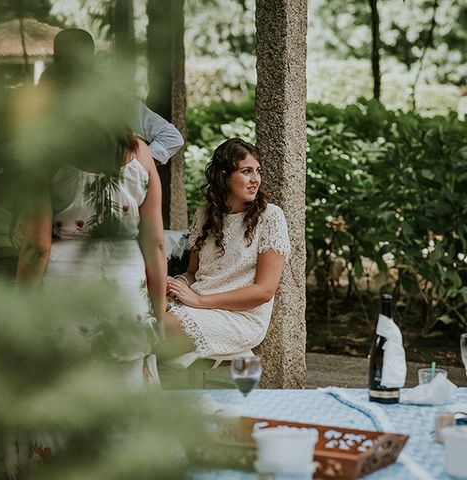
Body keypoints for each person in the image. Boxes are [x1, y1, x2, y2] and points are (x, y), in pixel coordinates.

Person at [15, 129, 166, 387]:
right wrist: (159, 318)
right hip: (127, 282)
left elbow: (37, 248)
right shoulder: (141, 153)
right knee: (127, 387)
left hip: (66, 283)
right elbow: (156, 245)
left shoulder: (50, 154)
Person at [161, 138, 290, 366]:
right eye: (246, 171)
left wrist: (200, 300)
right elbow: (192, 272)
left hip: (240, 318)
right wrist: (173, 285)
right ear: (224, 176)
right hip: (195, 304)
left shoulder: (270, 217)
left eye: (257, 171)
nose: (255, 180)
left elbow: (264, 291)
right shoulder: (204, 215)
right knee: (138, 313)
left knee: (156, 329)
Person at [39, 28, 184, 165]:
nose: (66, 67)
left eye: (73, 61)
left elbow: (170, 137)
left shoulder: (113, 98)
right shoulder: (44, 97)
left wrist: (135, 170)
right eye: (60, 60)